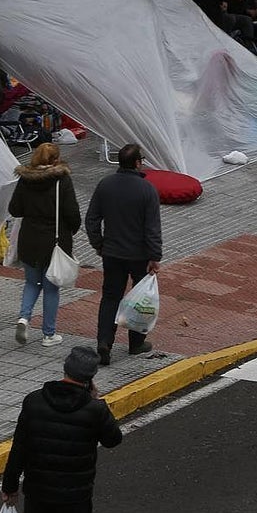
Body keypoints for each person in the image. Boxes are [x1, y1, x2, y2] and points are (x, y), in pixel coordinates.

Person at [0, 346, 122, 513]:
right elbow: (113, 440)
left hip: (38, 494)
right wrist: (96, 401)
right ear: (91, 377)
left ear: (66, 369)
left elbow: (19, 448)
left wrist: (9, 487)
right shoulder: (95, 409)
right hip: (75, 497)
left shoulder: (33, 401)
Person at [85, 144, 162, 366]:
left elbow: (91, 219)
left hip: (112, 253)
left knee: (110, 297)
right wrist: (155, 256)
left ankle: (104, 342)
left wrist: (98, 244)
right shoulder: (147, 190)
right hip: (139, 256)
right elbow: (152, 228)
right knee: (140, 298)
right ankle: (136, 343)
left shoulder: (105, 185)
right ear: (137, 163)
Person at [8, 143, 81, 348]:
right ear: (55, 159)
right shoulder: (61, 180)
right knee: (51, 288)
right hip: (54, 241)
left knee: (32, 283)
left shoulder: (25, 179)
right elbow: (72, 212)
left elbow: (14, 209)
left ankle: (24, 318)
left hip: (29, 240)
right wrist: (71, 230)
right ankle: (49, 335)